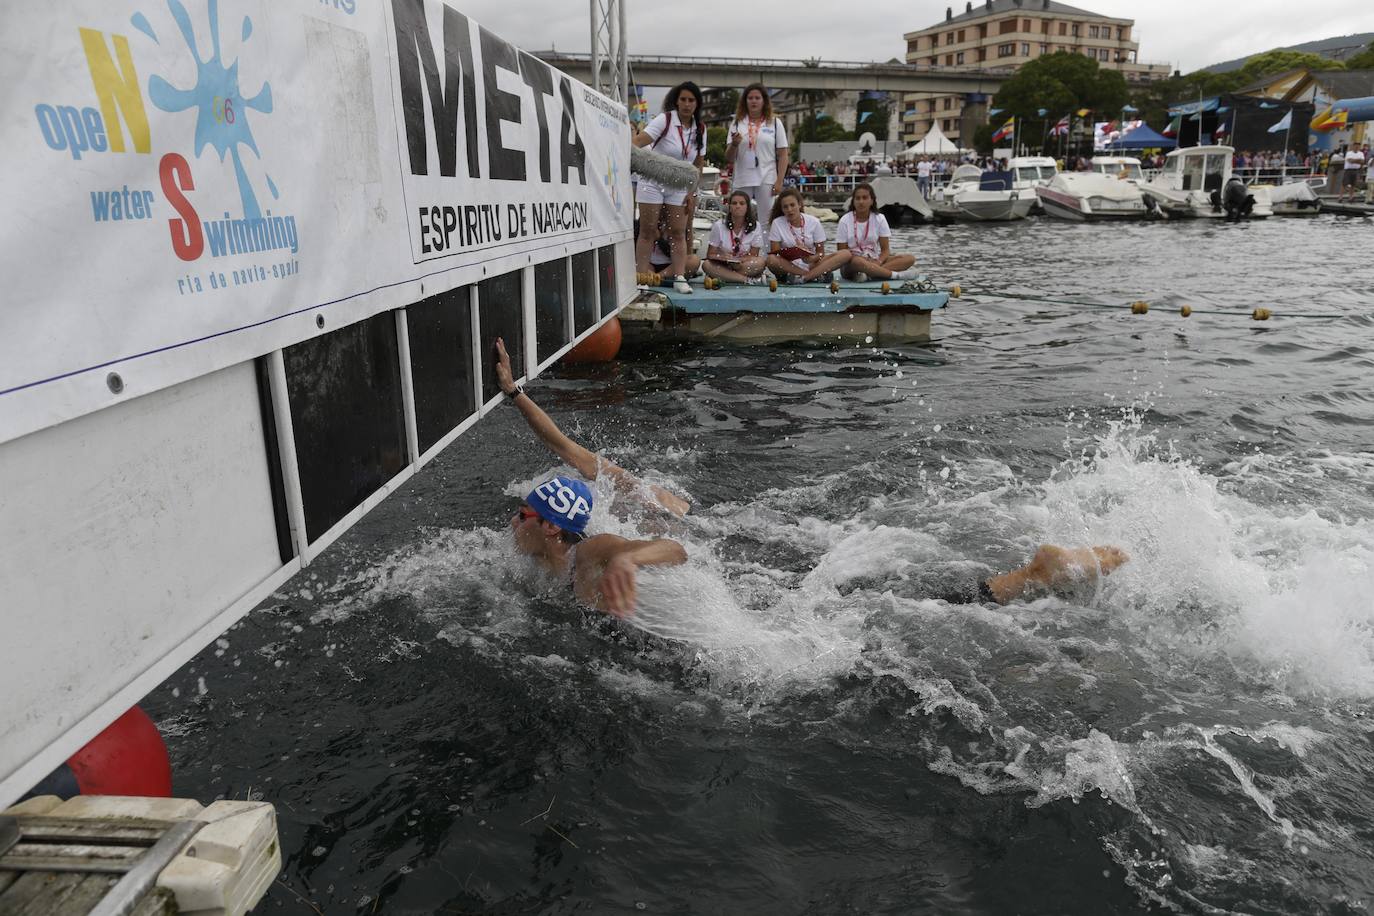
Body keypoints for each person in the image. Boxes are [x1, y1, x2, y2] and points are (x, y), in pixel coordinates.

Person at [494, 341, 1128, 619]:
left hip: (738, 561)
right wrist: (515, 393)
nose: (513, 519)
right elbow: (562, 444)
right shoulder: (632, 502)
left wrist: (633, 559)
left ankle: (1022, 578)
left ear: (552, 524)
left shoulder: (603, 535)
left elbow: (664, 543)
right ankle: (1038, 573)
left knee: (865, 602)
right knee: (858, 578)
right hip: (749, 536)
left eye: (523, 511)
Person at [633, 82, 706, 295]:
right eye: (683, 99)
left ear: (696, 104)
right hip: (652, 182)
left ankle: (679, 277)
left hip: (680, 185)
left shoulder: (700, 128)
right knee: (647, 230)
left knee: (677, 232)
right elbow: (637, 142)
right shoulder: (664, 120)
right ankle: (641, 278)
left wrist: (693, 192)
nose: (686, 104)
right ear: (676, 101)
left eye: (691, 100)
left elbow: (698, 164)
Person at [725, 83, 789, 224]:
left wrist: (779, 181)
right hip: (742, 178)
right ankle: (741, 246)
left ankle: (767, 247)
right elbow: (729, 158)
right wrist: (734, 144)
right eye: (750, 98)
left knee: (767, 220)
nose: (753, 101)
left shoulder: (775, 123)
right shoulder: (737, 123)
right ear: (745, 101)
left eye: (757, 98)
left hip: (767, 178)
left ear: (764, 101)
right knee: (738, 219)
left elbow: (783, 154)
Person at [835, 183, 918, 283]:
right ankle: (895, 275)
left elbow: (885, 250)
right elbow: (841, 253)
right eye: (858, 198)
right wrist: (861, 260)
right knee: (858, 262)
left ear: (872, 200)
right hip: (852, 264)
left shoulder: (880, 218)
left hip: (874, 259)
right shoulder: (845, 220)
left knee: (909, 258)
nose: (861, 202)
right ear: (853, 201)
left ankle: (869, 275)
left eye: (865, 198)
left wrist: (877, 262)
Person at [765, 188, 851, 283]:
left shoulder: (814, 222)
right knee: (771, 259)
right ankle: (813, 275)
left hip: (811, 264)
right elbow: (775, 253)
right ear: (782, 209)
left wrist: (810, 258)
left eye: (792, 205)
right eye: (785, 207)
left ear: (800, 204)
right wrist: (793, 253)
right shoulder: (777, 223)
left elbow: (821, 253)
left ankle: (805, 277)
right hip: (788, 266)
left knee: (845, 254)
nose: (789, 210)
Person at [703, 191, 767, 285]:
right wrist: (722, 257)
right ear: (729, 207)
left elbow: (754, 255)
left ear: (747, 207)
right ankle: (746, 280)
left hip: (743, 265)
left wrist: (738, 262)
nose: (738, 206)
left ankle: (725, 276)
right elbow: (710, 254)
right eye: (734, 203)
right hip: (723, 264)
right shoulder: (719, 225)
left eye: (742, 203)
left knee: (760, 262)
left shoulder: (756, 226)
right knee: (706, 265)